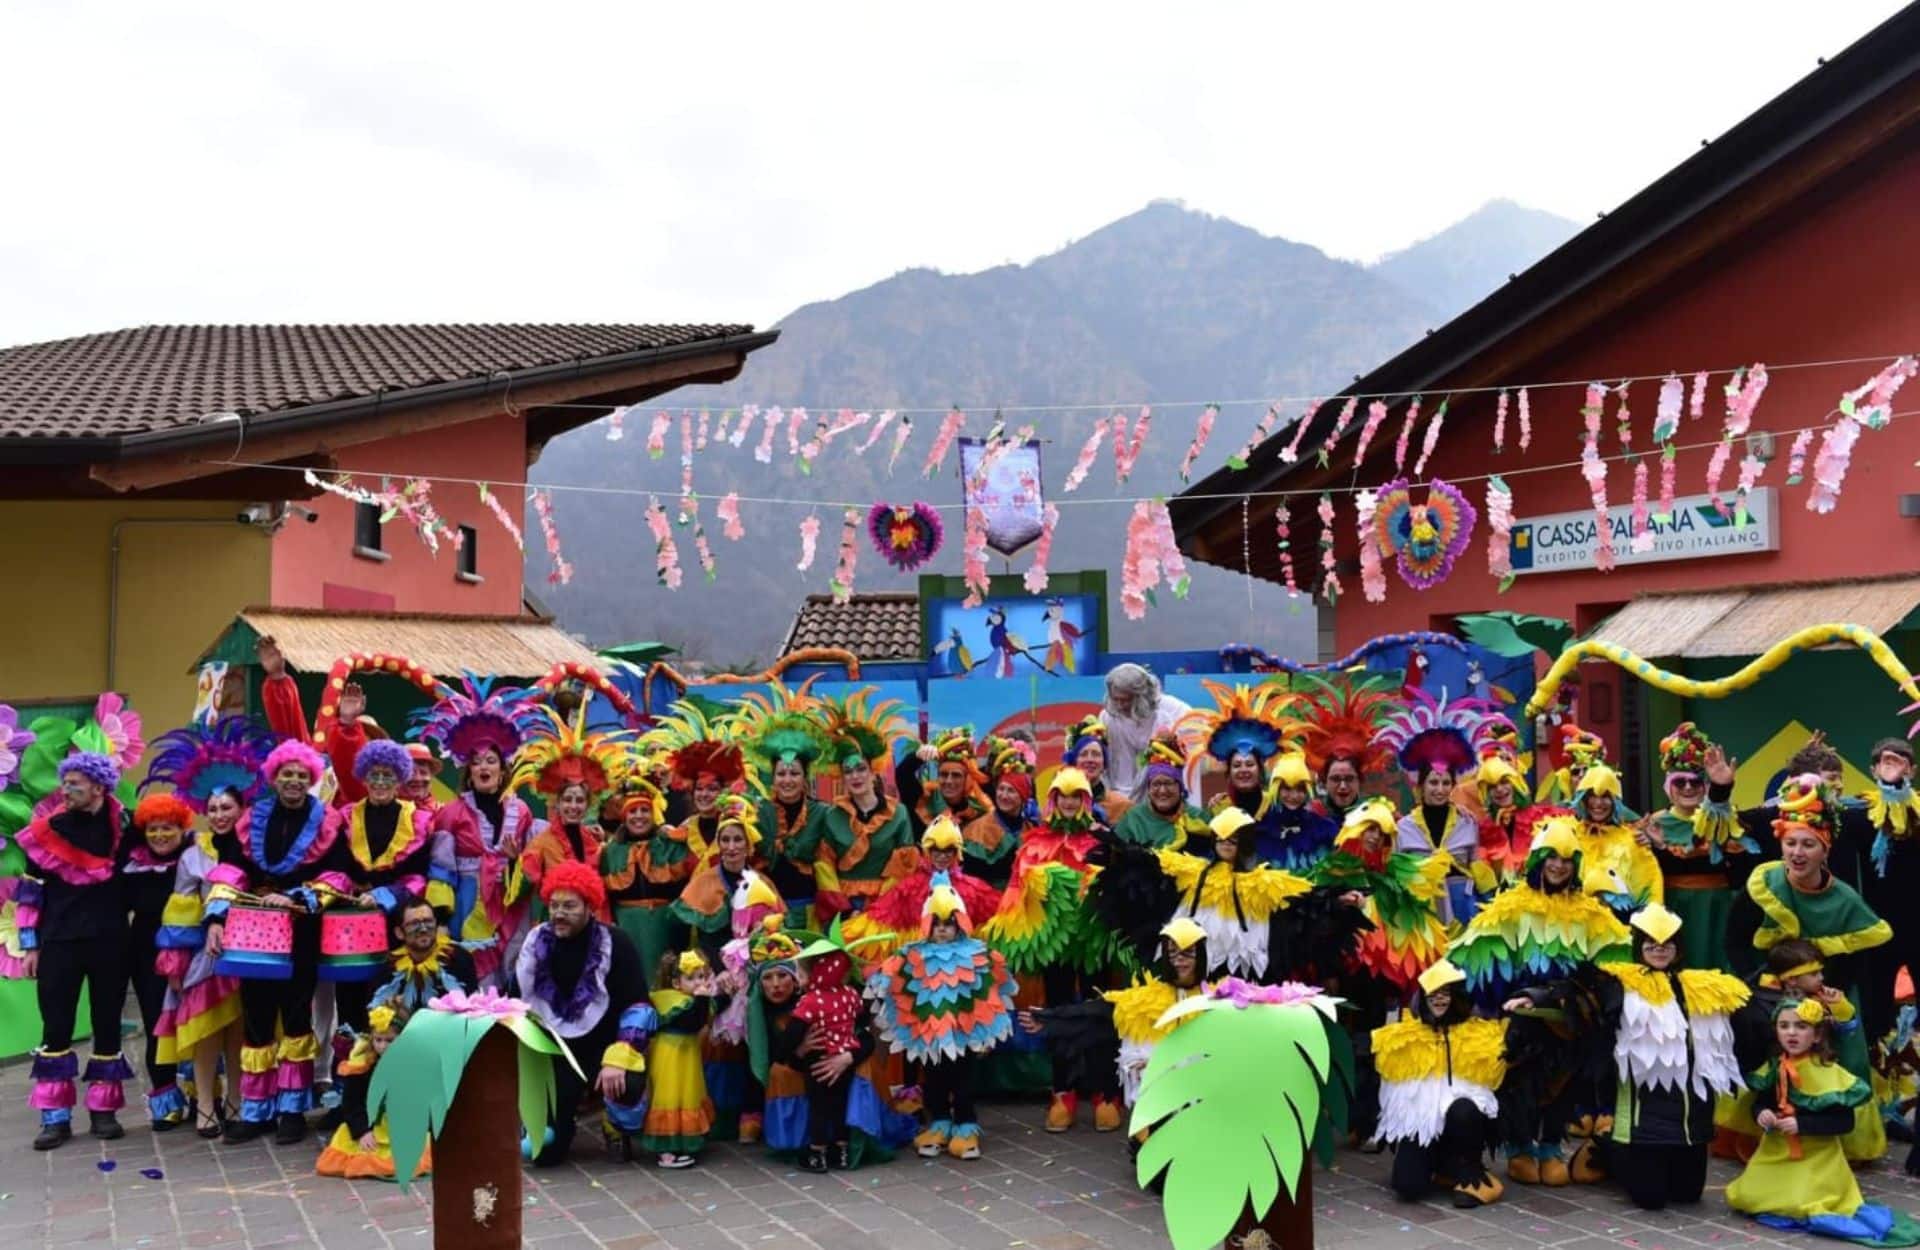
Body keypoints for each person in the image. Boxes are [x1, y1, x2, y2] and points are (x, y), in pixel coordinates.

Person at [1728, 775, 1891, 1163]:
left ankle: (1841, 1138)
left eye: (1808, 845)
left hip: (1828, 989)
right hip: (1772, 988)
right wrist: (1762, 985)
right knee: (1765, 1048)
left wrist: (1821, 997)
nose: (1798, 853)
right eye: (1790, 843)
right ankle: (1762, 1124)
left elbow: (1858, 957)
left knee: (1844, 1055)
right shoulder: (1764, 884)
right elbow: (1735, 941)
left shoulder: (1845, 898)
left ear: (1825, 850)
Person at [141, 717, 280, 1138]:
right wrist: (177, 961)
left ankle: (238, 1101)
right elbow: (181, 907)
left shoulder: (258, 847)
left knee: (243, 1029)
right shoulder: (193, 854)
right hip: (206, 955)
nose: (220, 815)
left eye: (228, 808)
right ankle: (205, 1105)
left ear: (242, 808)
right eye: (213, 809)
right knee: (205, 1030)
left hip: (253, 951)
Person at [206, 739, 339, 1145]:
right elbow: (231, 870)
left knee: (296, 1014)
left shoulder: (328, 821)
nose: (294, 781)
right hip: (252, 930)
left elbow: (338, 875)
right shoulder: (252, 820)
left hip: (300, 928)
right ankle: (255, 1110)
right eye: (287, 774)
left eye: (302, 775)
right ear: (275, 778)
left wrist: (296, 896)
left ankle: (292, 1110)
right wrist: (215, 918)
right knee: (256, 1014)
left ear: (311, 779)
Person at [982, 767, 1122, 1133]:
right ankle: (1063, 1093)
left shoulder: (1102, 839)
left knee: (1100, 1013)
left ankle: (1105, 1094)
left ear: (1087, 801)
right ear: (1053, 800)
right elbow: (1016, 889)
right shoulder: (1034, 843)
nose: (1071, 802)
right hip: (1054, 947)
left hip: (1094, 942)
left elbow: (1122, 882)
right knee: (1057, 1014)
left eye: (1077, 796)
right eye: (1064, 796)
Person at [13, 752, 135, 1149]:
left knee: (107, 1023)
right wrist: (29, 946)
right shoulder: (47, 831)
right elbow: (30, 893)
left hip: (110, 940)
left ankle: (103, 1111)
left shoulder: (124, 826)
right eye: (65, 783)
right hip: (60, 941)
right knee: (56, 1027)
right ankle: (55, 1118)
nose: (66, 790)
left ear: (98, 788)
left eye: (75, 784)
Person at [1727, 997, 1920, 1246]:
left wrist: (1802, 1125)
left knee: (1801, 1203)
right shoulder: (1775, 1067)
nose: (1792, 1033)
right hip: (1775, 1152)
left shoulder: (1829, 1073)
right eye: (1784, 1026)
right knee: (1746, 1197)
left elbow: (1844, 1123)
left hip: (1818, 1159)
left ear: (1817, 1035)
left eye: (1801, 1026)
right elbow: (1762, 1101)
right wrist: (1762, 1114)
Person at [1594, 903, 1749, 1210]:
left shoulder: (1705, 986)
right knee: (1650, 1200)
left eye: (1667, 943)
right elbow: (1577, 997)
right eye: (1651, 943)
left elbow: (1750, 1013)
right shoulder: (1618, 984)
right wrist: (1534, 998)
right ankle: (1609, 1150)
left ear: (1679, 948)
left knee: (1688, 1196)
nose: (1659, 949)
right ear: (1639, 946)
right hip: (1644, 1121)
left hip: (1693, 1122)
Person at [869, 877, 1018, 1162]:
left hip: (965, 1036)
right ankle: (938, 1122)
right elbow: (896, 985)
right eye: (936, 925)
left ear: (959, 924)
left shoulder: (976, 954)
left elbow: (987, 996)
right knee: (935, 1081)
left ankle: (964, 1127)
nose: (942, 930)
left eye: (948, 925)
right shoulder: (914, 954)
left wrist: (983, 1036)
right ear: (927, 925)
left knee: (964, 1083)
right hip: (931, 1038)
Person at [514, 861, 651, 1166]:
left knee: (625, 1084)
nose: (559, 913)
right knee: (544, 1155)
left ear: (590, 906)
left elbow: (639, 1006)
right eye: (554, 905)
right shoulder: (535, 944)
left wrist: (621, 1055)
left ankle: (614, 1125)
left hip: (604, 1049)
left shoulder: (616, 943)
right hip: (557, 1051)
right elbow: (517, 1001)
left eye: (570, 906)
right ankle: (559, 1124)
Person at [415, 674, 542, 985]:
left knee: (515, 969)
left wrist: (514, 862)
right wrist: (442, 919)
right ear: (469, 772)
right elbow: (441, 871)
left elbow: (531, 867)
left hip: (511, 903)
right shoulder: (452, 813)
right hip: (469, 902)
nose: (484, 767)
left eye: (490, 761)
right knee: (475, 973)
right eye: (477, 762)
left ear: (502, 768)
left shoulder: (521, 811)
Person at [1372, 959, 1507, 1209]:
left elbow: (1489, 1093)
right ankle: (1441, 1166)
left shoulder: (1477, 1032)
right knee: (1406, 1187)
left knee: (1463, 1110)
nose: (1438, 1000)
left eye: (1445, 993)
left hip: (1461, 1122)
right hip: (1424, 1127)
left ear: (1455, 997)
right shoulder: (1404, 1034)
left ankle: (1471, 1170)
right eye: (1432, 994)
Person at [323, 740, 434, 1041]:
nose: (381, 782)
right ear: (364, 778)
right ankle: (351, 1070)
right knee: (349, 997)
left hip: (395, 923)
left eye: (388, 775)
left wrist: (384, 897)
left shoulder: (418, 820)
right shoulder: (347, 817)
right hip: (351, 921)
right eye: (375, 775)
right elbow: (337, 868)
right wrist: (332, 891)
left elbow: (418, 877)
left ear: (400, 778)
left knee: (392, 997)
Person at [1635, 727, 1750, 973]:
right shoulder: (1654, 823)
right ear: (1669, 787)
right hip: (1673, 906)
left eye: (1696, 782)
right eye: (1680, 781)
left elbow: (1733, 866)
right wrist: (1655, 846)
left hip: (1717, 907)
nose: (1688, 788)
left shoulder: (1725, 820)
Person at [1154, 807, 1312, 982]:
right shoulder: (1195, 873)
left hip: (1245, 964)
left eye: (1233, 839)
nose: (1226, 843)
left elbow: (1305, 900)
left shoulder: (1263, 881)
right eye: (1220, 839)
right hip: (1199, 961)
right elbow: (1154, 866)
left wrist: (1335, 900)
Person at [1378, 690, 1494, 925]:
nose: (1439, 789)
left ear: (1452, 785)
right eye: (1433, 782)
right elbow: (1397, 873)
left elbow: (1477, 865)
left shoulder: (1467, 822)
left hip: (1463, 912)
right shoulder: (1403, 827)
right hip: (1421, 915)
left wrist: (1494, 903)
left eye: (1445, 783)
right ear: (1421, 785)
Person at [1311, 798, 1450, 994]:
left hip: (1374, 976)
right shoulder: (1333, 869)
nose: (1376, 837)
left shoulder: (1391, 876)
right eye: (1371, 829)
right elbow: (1315, 917)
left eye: (1383, 834)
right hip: (1340, 969)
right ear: (1358, 828)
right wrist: (1339, 902)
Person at [124, 792, 197, 1133]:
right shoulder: (134, 863)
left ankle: (203, 1094)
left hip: (194, 950)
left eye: (167, 828)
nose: (160, 836)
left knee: (200, 1021)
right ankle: (167, 1100)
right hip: (147, 953)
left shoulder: (196, 857)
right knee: (158, 1022)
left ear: (182, 828)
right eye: (153, 829)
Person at [809, 693, 918, 922]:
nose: (855, 776)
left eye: (860, 769)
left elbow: (904, 867)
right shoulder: (832, 816)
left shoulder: (899, 814)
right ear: (842, 777)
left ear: (872, 771)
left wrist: (878, 910)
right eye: (848, 771)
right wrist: (847, 910)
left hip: (885, 909)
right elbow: (824, 866)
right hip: (844, 911)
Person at [511, 707, 625, 924]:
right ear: (558, 803)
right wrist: (513, 860)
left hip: (594, 922)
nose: (573, 806)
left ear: (587, 804)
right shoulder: (541, 843)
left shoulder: (592, 839)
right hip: (558, 923)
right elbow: (525, 883)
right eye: (568, 800)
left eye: (579, 800)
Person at [737, 691, 832, 922]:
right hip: (768, 913)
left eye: (794, 773)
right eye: (781, 773)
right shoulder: (758, 812)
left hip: (811, 912)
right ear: (773, 777)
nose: (787, 780)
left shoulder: (823, 813)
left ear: (804, 777)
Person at [846, 814, 1003, 951]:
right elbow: (880, 919)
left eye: (948, 850)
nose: (942, 856)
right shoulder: (909, 888)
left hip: (959, 964)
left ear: (957, 852)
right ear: (928, 850)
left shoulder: (973, 888)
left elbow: (1003, 918)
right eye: (936, 850)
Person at [256, 635, 377, 807]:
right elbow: (291, 737)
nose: (361, 743)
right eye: (355, 735)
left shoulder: (378, 787)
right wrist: (278, 679)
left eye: (367, 740)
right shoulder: (320, 768)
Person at [1179, 680, 1300, 842]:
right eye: (1236, 765)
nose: (1243, 769)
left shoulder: (1276, 803)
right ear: (1228, 772)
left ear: (1260, 769)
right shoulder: (1218, 808)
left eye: (1250, 764)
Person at [601, 778, 697, 979]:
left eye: (644, 810)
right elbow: (604, 899)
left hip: (666, 929)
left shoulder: (671, 845)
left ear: (653, 814)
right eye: (632, 811)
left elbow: (687, 891)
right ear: (624, 816)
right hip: (627, 930)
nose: (639, 816)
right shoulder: (610, 852)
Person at [315, 1004, 424, 1181]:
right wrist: (362, 1131)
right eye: (378, 1040)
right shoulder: (361, 1066)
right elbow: (352, 1103)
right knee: (363, 1154)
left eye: (390, 1040)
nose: (383, 1046)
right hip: (370, 1123)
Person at [1861, 737, 1920, 1044]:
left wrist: (1896, 788)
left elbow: (1903, 809)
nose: (1893, 768)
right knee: (1876, 1018)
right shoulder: (1859, 814)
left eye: (1901, 763)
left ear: (1913, 770)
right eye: (1885, 763)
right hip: (1876, 930)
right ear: (1873, 771)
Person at [640, 948, 719, 1169]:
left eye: (701, 977)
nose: (698, 983)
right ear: (676, 983)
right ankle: (666, 1148)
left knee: (687, 1095)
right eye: (691, 978)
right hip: (671, 1057)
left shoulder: (689, 1000)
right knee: (671, 1096)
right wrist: (703, 1000)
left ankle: (685, 1140)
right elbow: (694, 1022)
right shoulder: (675, 1003)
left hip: (685, 1056)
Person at [1297, 676, 1395, 828]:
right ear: (1324, 782)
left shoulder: (1376, 818)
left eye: (1349, 779)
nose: (1343, 786)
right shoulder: (1308, 818)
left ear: (1360, 781)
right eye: (1336, 779)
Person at [1571, 764, 1661, 917]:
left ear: (1615, 801)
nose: (1598, 803)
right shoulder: (1570, 833)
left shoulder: (1633, 840)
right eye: (1592, 795)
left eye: (1605, 796)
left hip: (1618, 927)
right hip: (1575, 923)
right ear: (1583, 799)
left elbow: (1650, 889)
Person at [371, 895, 477, 1011]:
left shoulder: (459, 958)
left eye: (428, 921)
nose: (423, 929)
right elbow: (376, 1015)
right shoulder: (389, 968)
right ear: (399, 933)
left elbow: (472, 1011)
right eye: (414, 923)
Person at [1099, 663, 1191, 795]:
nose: (1119, 705)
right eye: (1115, 699)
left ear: (1140, 697)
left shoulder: (1175, 711)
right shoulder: (1109, 716)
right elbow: (1119, 766)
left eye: (1125, 700)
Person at [961, 737, 1034, 888]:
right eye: (1001, 789)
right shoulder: (976, 830)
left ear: (1023, 797)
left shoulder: (1031, 830)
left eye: (1011, 791)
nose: (1004, 795)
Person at [895, 725, 992, 839]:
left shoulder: (977, 811)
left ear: (967, 779)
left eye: (956, 775)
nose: (949, 781)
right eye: (944, 775)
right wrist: (918, 756)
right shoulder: (923, 799)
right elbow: (902, 774)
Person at [1115, 735, 1206, 850]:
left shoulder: (1198, 817)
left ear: (1180, 787)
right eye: (1156, 784)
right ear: (1148, 789)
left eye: (1168, 783)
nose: (1162, 790)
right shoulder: (1133, 819)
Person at [1255, 751, 1336, 872]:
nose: (1294, 796)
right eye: (1287, 788)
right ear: (1276, 789)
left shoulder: (1324, 828)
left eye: (1300, 789)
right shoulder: (1260, 828)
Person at [1062, 716, 1131, 825]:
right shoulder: (1061, 805)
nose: (1090, 760)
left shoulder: (1121, 805)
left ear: (1104, 763)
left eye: (1096, 754)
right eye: (1083, 754)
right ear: (1074, 762)